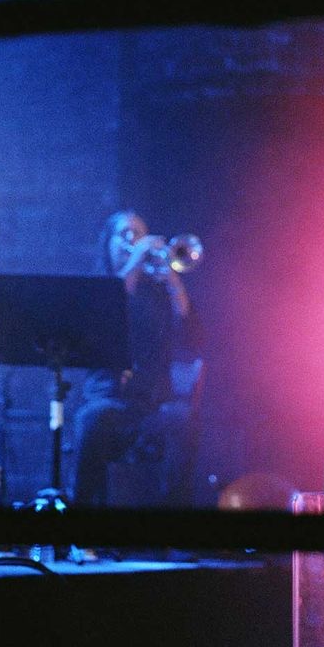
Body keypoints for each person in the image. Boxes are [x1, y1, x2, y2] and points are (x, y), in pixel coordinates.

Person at [72, 210, 202, 507]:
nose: (133, 240)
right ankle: (82, 517)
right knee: (91, 420)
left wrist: (174, 282)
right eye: (124, 234)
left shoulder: (157, 291)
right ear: (107, 244)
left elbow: (192, 339)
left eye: (139, 234)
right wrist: (135, 262)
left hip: (154, 400)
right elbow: (109, 313)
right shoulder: (99, 288)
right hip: (109, 397)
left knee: (182, 420)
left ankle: (176, 520)